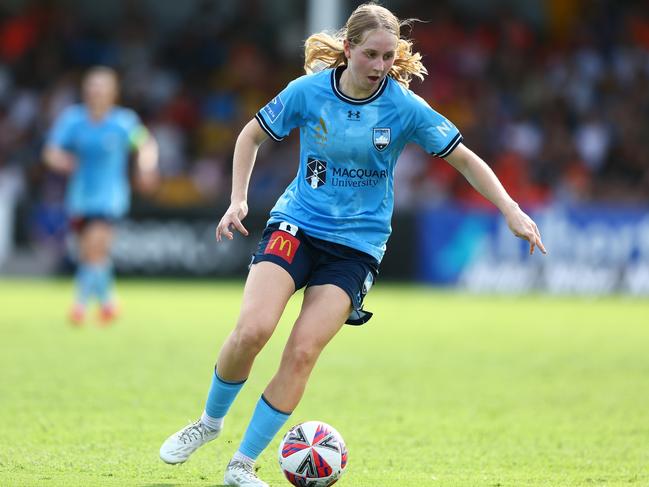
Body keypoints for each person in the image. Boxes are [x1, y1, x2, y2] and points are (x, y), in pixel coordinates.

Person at [160, 3, 546, 486]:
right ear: (348, 49)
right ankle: (208, 423)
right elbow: (250, 136)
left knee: (302, 352)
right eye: (371, 55)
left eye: (388, 57)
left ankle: (241, 465)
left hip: (357, 247)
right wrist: (238, 200)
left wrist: (511, 210)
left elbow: (465, 160)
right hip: (296, 224)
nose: (381, 67)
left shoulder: (404, 106)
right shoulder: (308, 92)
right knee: (253, 330)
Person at [43, 66, 159, 325]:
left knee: (95, 247)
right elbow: (50, 151)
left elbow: (145, 143)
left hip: (110, 197)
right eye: (92, 86)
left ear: (113, 92)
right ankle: (108, 302)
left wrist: (146, 166)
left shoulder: (122, 121)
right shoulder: (73, 119)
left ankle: (79, 305)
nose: (96, 92)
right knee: (90, 254)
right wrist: (61, 160)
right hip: (80, 197)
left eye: (101, 87)